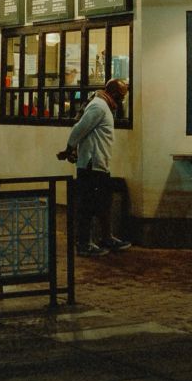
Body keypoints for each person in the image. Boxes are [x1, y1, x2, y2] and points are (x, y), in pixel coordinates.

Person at [57, 78, 132, 257]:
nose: (122, 101)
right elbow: (78, 129)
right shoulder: (99, 106)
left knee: (103, 204)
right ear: (113, 93)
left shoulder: (103, 106)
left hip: (99, 164)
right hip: (92, 165)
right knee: (88, 206)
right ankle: (84, 244)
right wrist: (69, 148)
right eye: (121, 97)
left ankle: (107, 238)